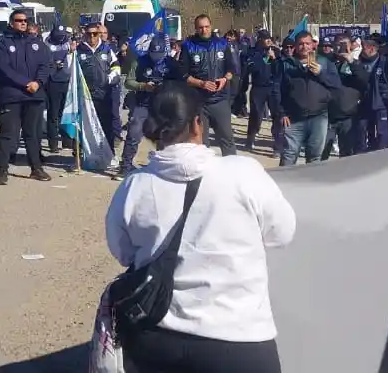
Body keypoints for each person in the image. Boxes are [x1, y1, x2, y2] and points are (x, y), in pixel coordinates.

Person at [106, 82, 295, 373]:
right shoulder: (244, 172)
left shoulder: (134, 185)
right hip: (239, 337)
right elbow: (282, 233)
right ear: (198, 124)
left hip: (156, 335)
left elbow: (122, 251)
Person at [0, 8, 52, 185]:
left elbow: (45, 65)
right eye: (19, 20)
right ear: (11, 23)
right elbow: (4, 68)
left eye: (25, 20)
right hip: (12, 95)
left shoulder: (36, 43)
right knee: (8, 135)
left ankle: (36, 168)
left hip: (34, 95)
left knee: (32, 134)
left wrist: (38, 82)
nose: (23, 23)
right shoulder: (3, 43)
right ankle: (2, 171)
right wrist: (26, 83)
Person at [272, 31, 340, 166]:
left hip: (318, 116)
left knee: (315, 157)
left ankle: (311, 180)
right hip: (293, 117)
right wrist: (281, 112)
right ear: (296, 46)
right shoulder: (286, 63)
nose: (304, 47)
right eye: (301, 44)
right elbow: (276, 90)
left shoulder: (324, 62)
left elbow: (336, 85)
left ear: (313, 45)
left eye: (307, 43)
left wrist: (320, 73)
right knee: (288, 155)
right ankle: (285, 180)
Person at [174, 14, 238, 157]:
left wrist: (225, 79)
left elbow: (232, 69)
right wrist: (201, 83)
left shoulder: (222, 44)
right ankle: (204, 169)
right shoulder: (188, 46)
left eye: (206, 27)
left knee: (227, 139)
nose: (204, 30)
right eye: (200, 27)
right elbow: (183, 75)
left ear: (211, 26)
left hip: (220, 100)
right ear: (196, 28)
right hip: (198, 103)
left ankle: (232, 167)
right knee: (201, 143)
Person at [121, 38, 169, 178]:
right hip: (143, 104)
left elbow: (180, 82)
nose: (156, 57)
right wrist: (143, 86)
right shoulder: (139, 62)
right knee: (133, 134)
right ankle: (125, 166)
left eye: (159, 54)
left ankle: (163, 166)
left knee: (164, 137)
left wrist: (166, 87)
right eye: (154, 54)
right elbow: (128, 82)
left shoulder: (171, 63)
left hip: (163, 106)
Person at [76, 21, 123, 157]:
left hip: (104, 95)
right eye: (89, 34)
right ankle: (88, 155)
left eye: (95, 34)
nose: (92, 37)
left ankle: (109, 155)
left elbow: (116, 67)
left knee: (106, 125)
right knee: (87, 126)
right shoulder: (78, 50)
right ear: (85, 35)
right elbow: (71, 71)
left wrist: (108, 79)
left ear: (99, 34)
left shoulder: (107, 50)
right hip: (86, 95)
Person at [323, 36, 366, 159]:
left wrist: (352, 62)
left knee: (347, 156)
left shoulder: (358, 61)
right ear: (333, 46)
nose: (341, 47)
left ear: (350, 46)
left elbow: (365, 81)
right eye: (338, 44)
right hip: (327, 116)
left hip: (349, 116)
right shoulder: (326, 62)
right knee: (321, 153)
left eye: (344, 44)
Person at [244, 31, 281, 155]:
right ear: (260, 40)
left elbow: (280, 69)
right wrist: (264, 58)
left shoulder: (276, 51)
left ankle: (277, 145)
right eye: (265, 39)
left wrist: (274, 58)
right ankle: (250, 140)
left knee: (277, 115)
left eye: (269, 38)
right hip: (258, 87)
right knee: (255, 115)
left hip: (273, 87)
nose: (268, 41)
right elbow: (251, 68)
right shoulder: (253, 52)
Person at [44, 25, 73, 154]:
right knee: (53, 114)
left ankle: (67, 140)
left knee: (65, 113)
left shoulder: (68, 43)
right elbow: (46, 62)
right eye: (58, 36)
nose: (61, 39)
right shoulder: (47, 44)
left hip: (67, 80)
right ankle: (53, 143)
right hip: (53, 82)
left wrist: (71, 50)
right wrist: (55, 64)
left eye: (63, 36)